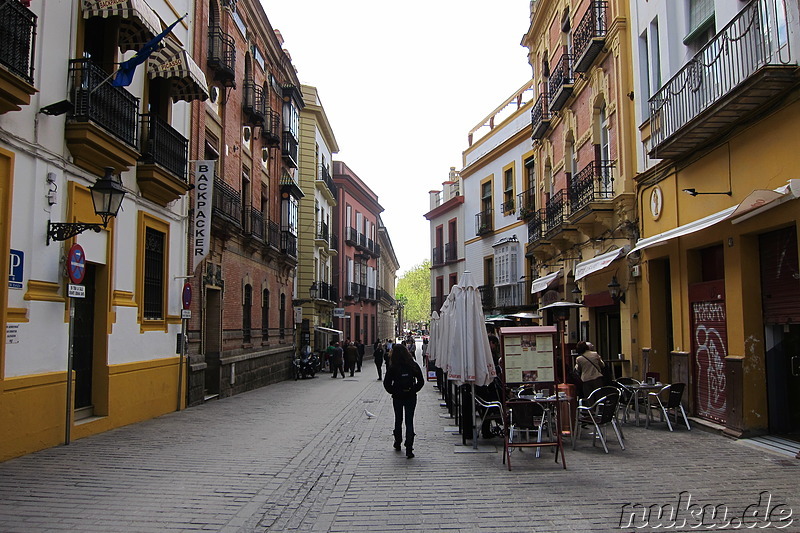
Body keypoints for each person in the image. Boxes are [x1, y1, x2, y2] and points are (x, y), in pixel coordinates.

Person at [383, 344, 424, 458]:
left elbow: (386, 384)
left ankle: (397, 442)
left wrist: (394, 392)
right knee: (409, 421)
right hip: (410, 396)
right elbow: (421, 381)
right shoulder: (412, 365)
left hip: (398, 397)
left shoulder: (393, 366)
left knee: (398, 419)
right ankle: (409, 447)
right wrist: (413, 390)